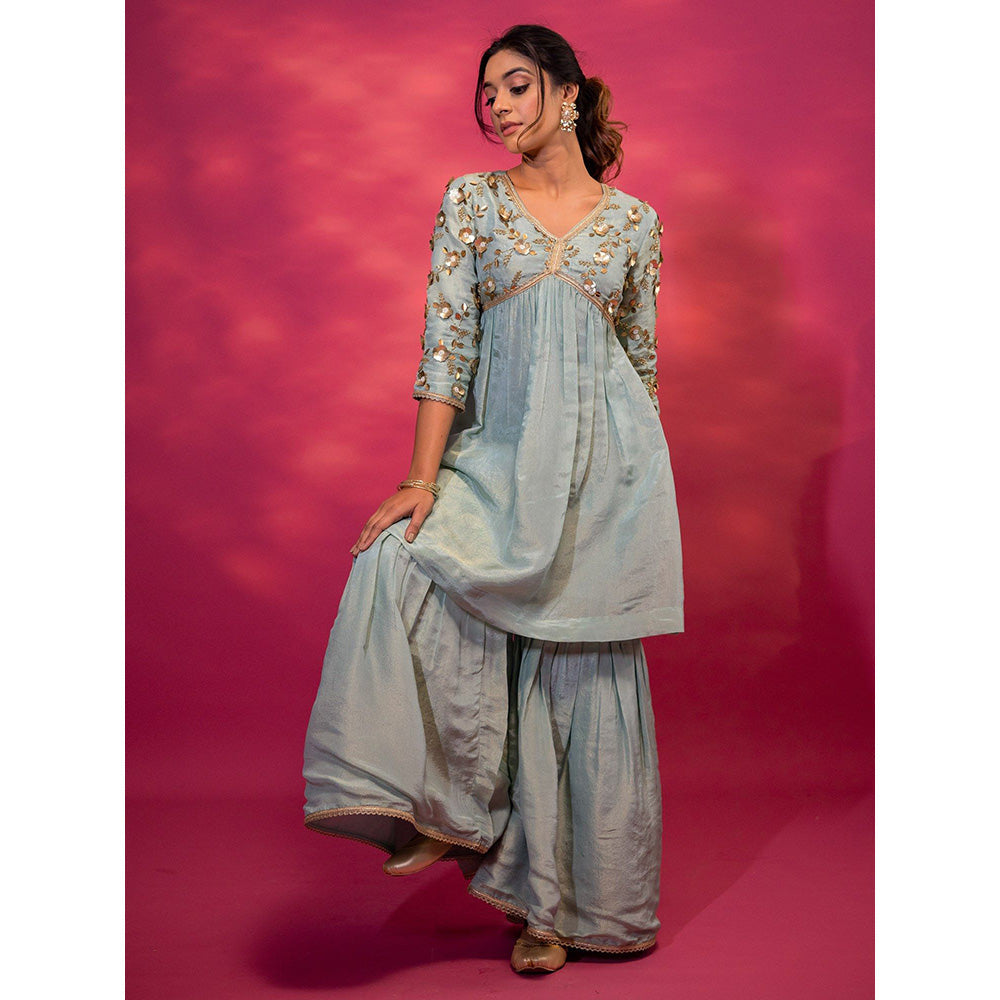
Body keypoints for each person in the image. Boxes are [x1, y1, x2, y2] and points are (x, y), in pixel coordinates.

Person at [302, 24, 684, 975]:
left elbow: (638, 361)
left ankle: (550, 913)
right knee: (398, 562)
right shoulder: (472, 203)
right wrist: (421, 478)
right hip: (502, 458)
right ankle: (447, 807)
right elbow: (447, 348)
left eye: (516, 86)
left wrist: (637, 489)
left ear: (568, 91)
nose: (498, 107)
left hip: (605, 469)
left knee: (574, 673)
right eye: (488, 95)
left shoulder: (636, 223)